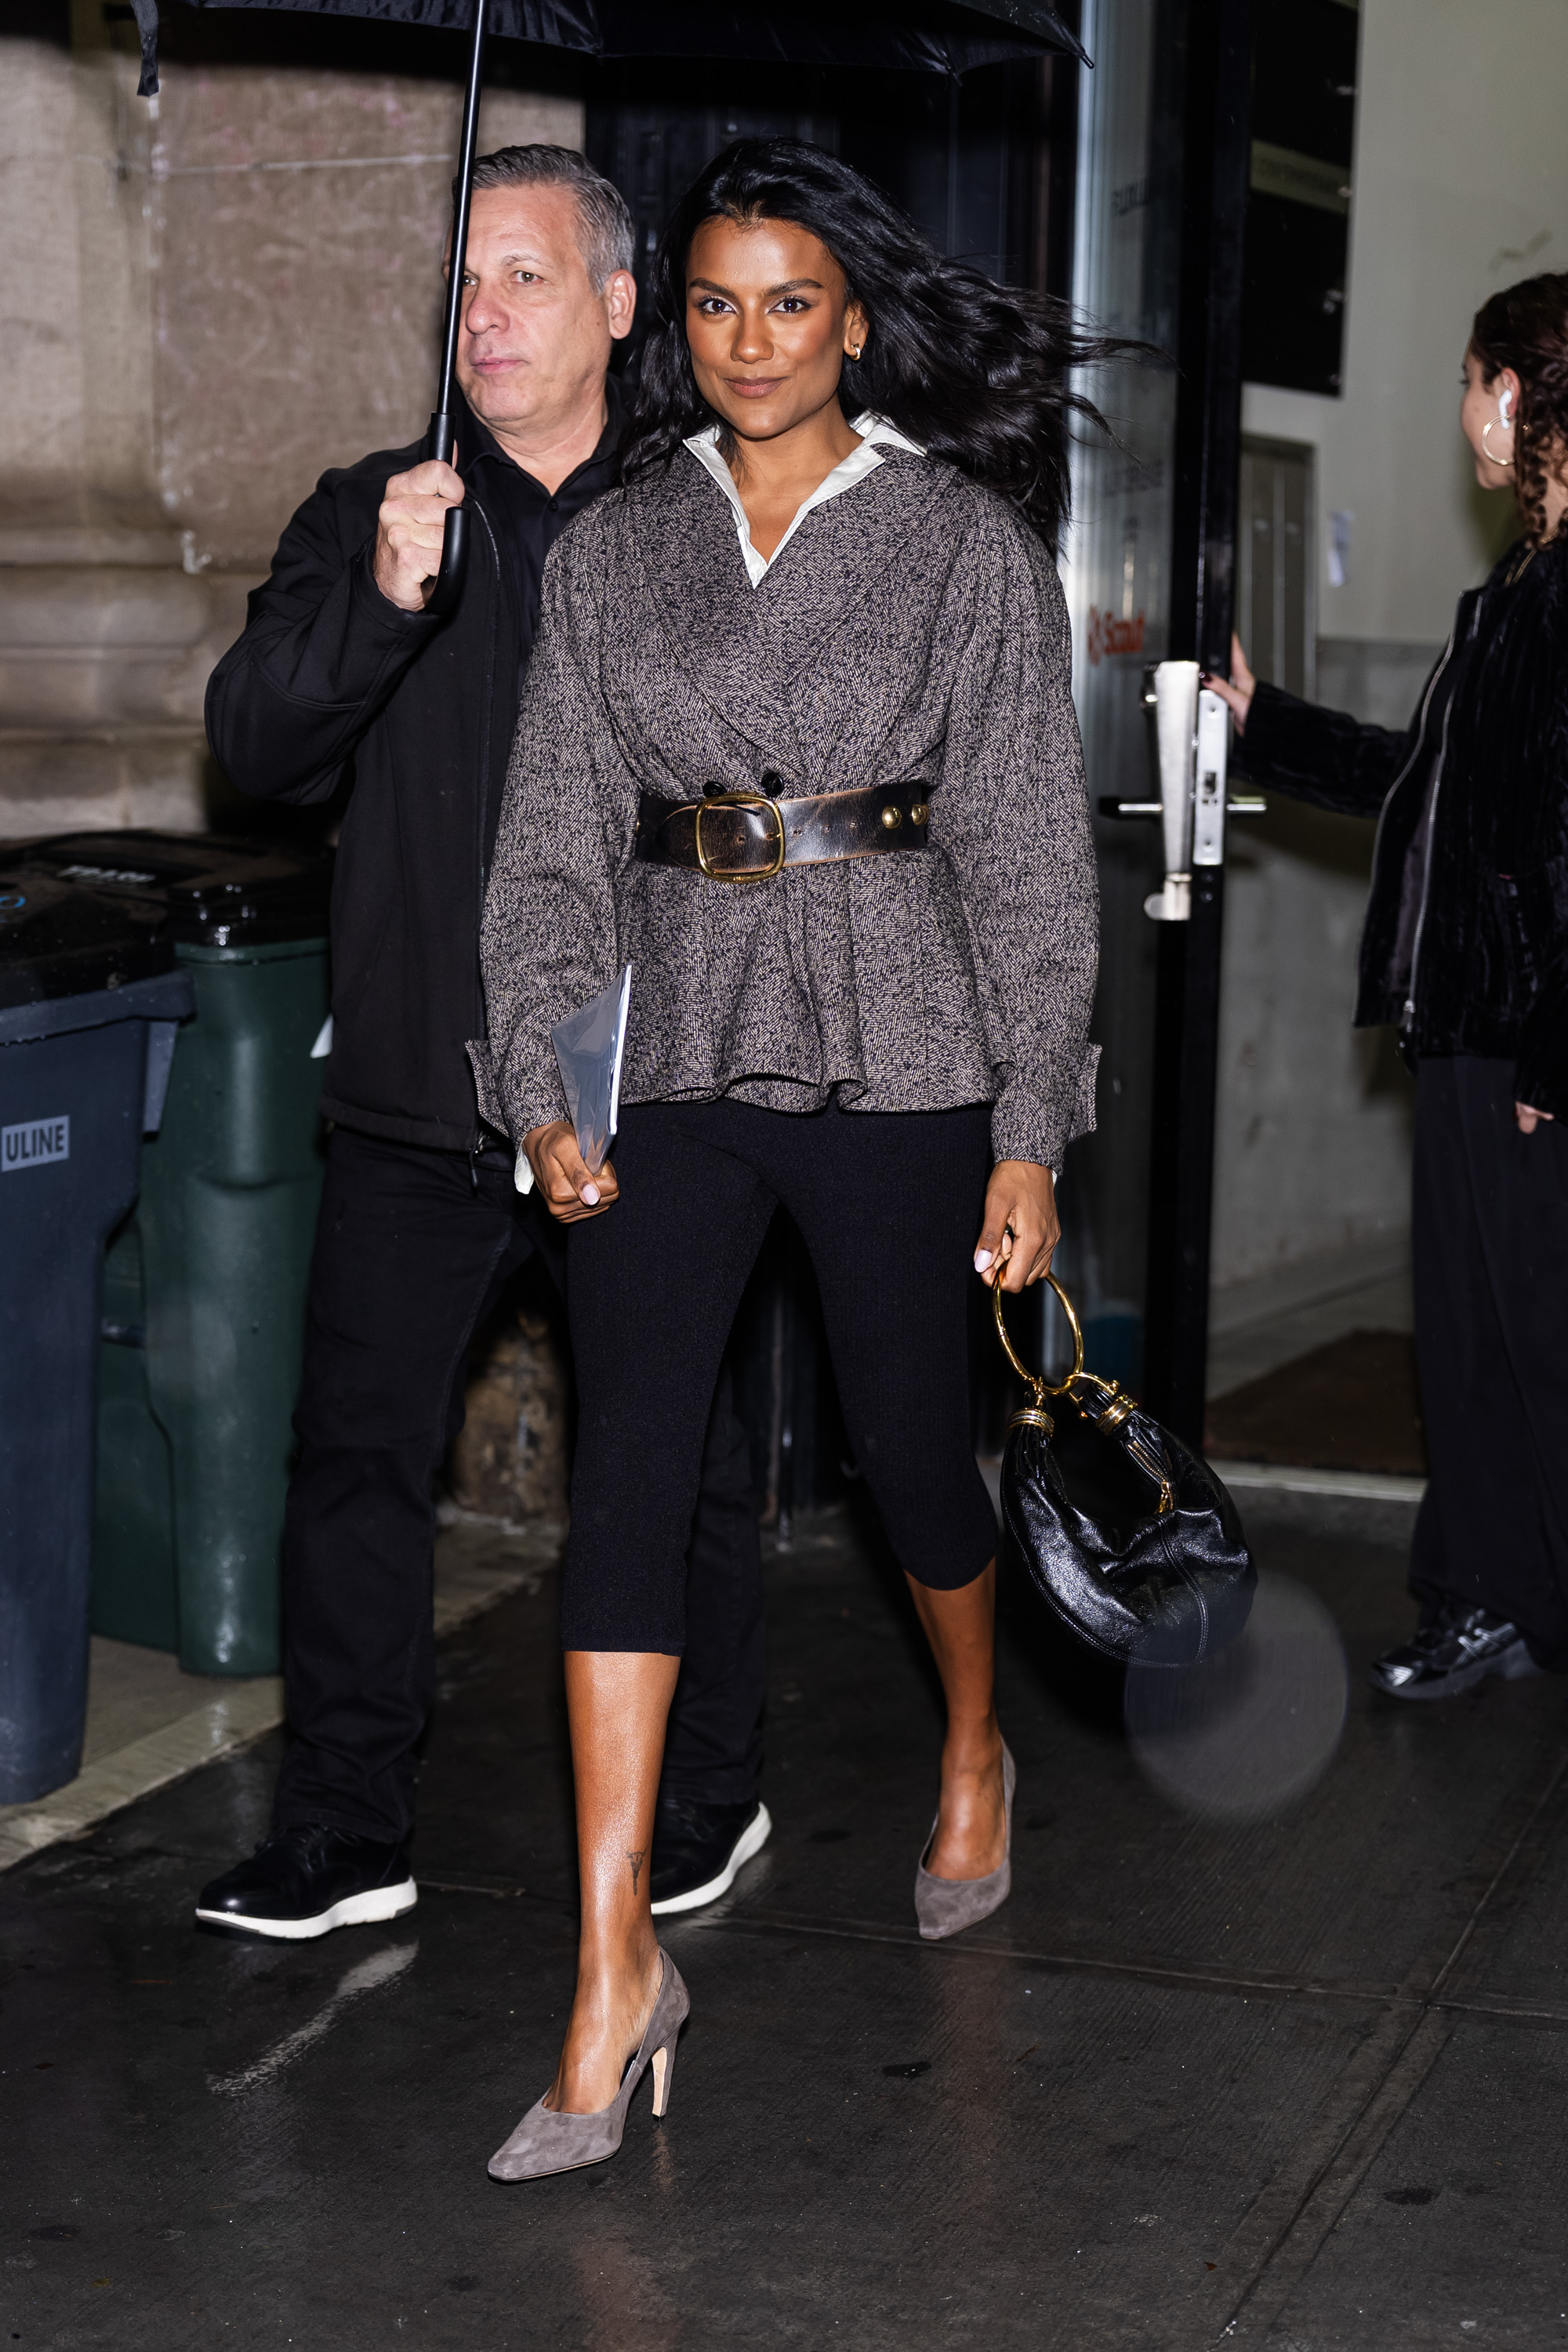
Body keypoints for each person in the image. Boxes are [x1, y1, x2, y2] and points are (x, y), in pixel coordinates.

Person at [472, 137, 1106, 2180]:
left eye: (796, 302)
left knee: (916, 1457)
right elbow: (559, 843)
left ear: (857, 316)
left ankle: (977, 1741)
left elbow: (1025, 853)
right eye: (725, 302)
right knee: (632, 1485)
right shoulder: (611, 552)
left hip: (905, 1044)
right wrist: (548, 1090)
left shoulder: (959, 547)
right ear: (691, 321)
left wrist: (1035, 1129)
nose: (756, 342)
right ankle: (608, 1969)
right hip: (667, 1056)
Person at [196, 145, 771, 1941]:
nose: (486, 314)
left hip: (642, 1088)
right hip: (417, 1088)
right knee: (356, 1461)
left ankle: (704, 1794)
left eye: (526, 277)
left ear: (616, 306)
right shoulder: (374, 505)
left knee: (664, 1458)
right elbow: (256, 749)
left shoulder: (715, 522)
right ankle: (347, 1825)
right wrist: (380, 597)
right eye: (463, 285)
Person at [1209, 270, 1568, 1704]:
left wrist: (1554, 1052)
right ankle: (1489, 1593)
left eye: (1469, 381)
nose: (1459, 414)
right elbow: (1428, 789)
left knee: (1539, 1347)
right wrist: (1263, 724)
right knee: (1476, 1339)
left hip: (1529, 1048)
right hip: (1474, 1035)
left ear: (1514, 395)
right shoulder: (1520, 592)